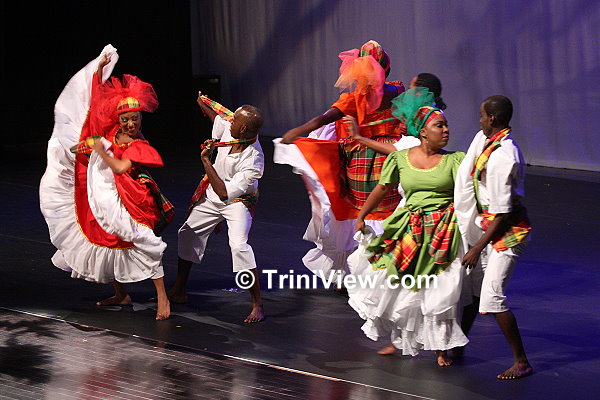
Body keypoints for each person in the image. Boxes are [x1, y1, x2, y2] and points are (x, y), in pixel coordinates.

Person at [40, 46, 173, 320]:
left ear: (140, 118)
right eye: (125, 119)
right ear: (118, 120)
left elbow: (121, 167)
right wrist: (99, 71)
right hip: (104, 193)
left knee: (142, 240)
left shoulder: (139, 145)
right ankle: (121, 294)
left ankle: (163, 297)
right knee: (106, 238)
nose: (131, 123)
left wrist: (101, 150)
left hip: (130, 198)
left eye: (135, 118)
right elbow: (97, 102)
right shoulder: (112, 132)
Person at [346, 87, 468, 367]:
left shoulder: (455, 160)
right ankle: (398, 338)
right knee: (401, 286)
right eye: (440, 125)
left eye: (446, 125)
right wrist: (362, 214)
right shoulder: (400, 158)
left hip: (443, 231)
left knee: (439, 288)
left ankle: (441, 347)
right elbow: (382, 187)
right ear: (423, 132)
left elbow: (470, 191)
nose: (446, 130)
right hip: (409, 227)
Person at [275, 40, 406, 284]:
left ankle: (345, 272)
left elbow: (323, 119)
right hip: (389, 160)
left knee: (355, 214)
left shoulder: (354, 99)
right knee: (385, 213)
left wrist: (297, 131)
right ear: (386, 69)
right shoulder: (397, 92)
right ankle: (382, 273)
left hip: (362, 165)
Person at [167, 93, 265, 323]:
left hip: (237, 202)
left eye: (235, 120)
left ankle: (257, 304)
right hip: (212, 195)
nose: (230, 121)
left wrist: (205, 161)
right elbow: (217, 118)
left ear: (243, 129)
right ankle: (179, 290)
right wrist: (202, 102)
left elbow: (224, 193)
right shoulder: (233, 130)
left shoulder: (254, 160)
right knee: (187, 233)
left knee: (239, 246)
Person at [454, 95, 533, 379]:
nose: (479, 120)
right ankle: (457, 344)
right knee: (477, 288)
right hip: (491, 227)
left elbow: (502, 212)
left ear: (492, 118)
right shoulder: (491, 143)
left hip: (507, 233)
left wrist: (477, 247)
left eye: (481, 115)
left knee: (491, 297)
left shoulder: (502, 156)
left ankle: (521, 361)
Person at [349, 73, 446, 155]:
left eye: (411, 88)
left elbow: (396, 149)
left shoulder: (428, 115)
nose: (407, 92)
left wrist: (358, 137)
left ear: (420, 92)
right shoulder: (423, 112)